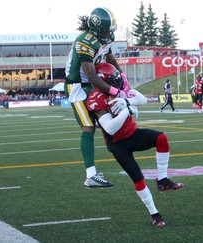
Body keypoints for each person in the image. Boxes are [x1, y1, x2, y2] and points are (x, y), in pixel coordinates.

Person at [87, 63, 184, 227]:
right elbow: (110, 129)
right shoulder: (96, 99)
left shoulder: (118, 89)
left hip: (132, 133)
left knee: (161, 138)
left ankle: (162, 180)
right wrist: (128, 110)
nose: (119, 81)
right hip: (118, 144)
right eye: (113, 79)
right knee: (138, 179)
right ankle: (155, 215)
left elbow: (142, 99)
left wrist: (126, 101)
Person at [64, 7, 133, 188]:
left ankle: (126, 155)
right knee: (88, 127)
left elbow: (110, 59)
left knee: (111, 120)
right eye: (105, 30)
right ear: (96, 29)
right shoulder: (84, 42)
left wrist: (122, 78)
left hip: (94, 84)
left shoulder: (105, 38)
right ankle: (91, 176)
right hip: (78, 86)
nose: (109, 33)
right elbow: (92, 76)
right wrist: (115, 91)